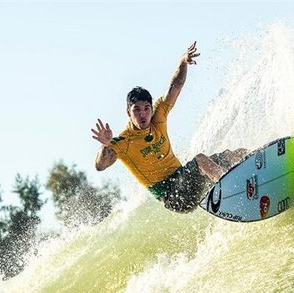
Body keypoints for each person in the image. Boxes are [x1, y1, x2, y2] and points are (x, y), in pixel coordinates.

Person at [91, 41, 249, 213]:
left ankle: (255, 167)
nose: (143, 114)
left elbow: (175, 86)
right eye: (136, 110)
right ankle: (234, 189)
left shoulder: (158, 117)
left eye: (146, 109)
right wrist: (105, 145)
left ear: (151, 109)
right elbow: (100, 165)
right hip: (173, 197)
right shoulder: (123, 142)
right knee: (201, 160)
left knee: (234, 155)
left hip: (186, 180)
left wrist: (182, 62)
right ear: (128, 112)